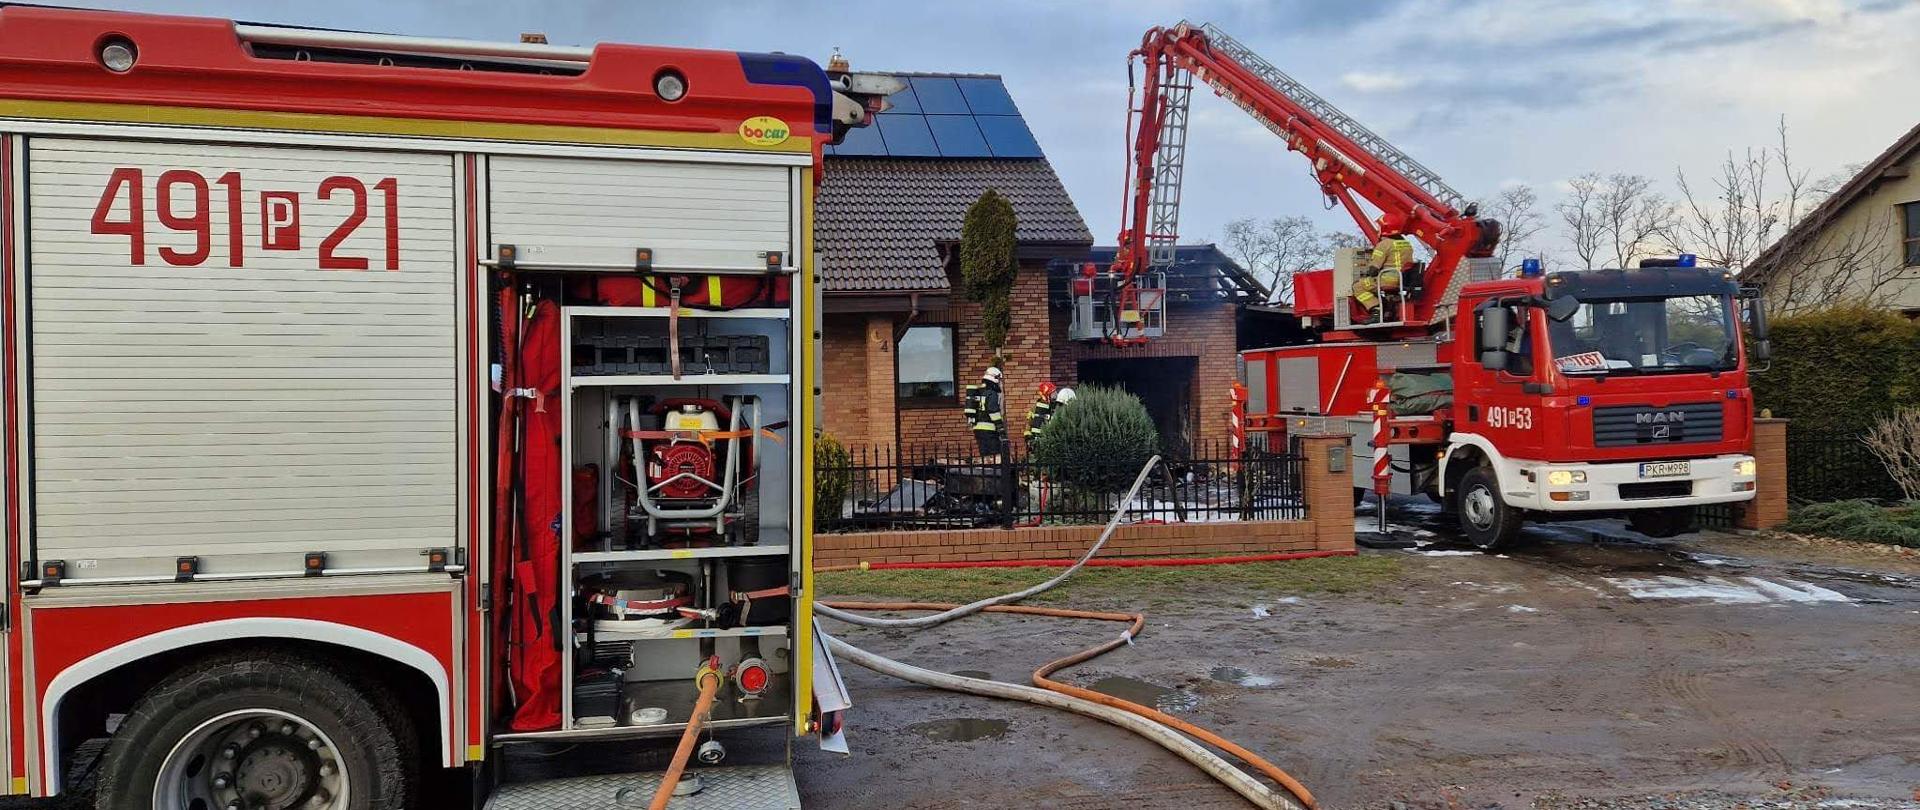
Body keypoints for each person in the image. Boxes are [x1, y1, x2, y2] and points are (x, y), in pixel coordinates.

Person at [1360, 212, 1414, 323]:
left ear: (1384, 228)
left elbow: (1374, 270)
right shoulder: (1407, 244)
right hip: (1403, 280)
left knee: (1358, 286)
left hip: (1387, 280)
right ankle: (1388, 309)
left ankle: (1376, 310)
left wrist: (1367, 273)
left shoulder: (1383, 245)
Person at [967, 366, 1007, 460]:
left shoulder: (979, 391)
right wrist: (1000, 428)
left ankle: (987, 469)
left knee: (985, 456)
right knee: (994, 456)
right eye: (999, 379)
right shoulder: (991, 393)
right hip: (989, 430)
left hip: (978, 429)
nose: (999, 382)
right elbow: (993, 411)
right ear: (995, 378)